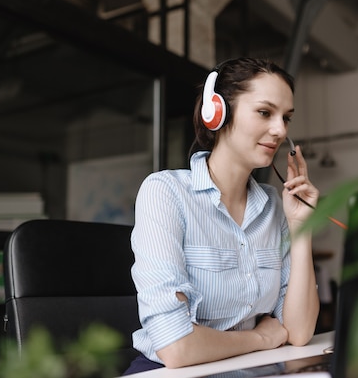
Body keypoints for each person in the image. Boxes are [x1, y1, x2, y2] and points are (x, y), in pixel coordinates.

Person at [123, 57, 320, 374]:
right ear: (217, 112)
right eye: (265, 112)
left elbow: (297, 332)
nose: (280, 130)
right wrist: (258, 338)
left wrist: (301, 226)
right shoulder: (166, 193)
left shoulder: (275, 205)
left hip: (245, 367)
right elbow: (176, 347)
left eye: (287, 118)